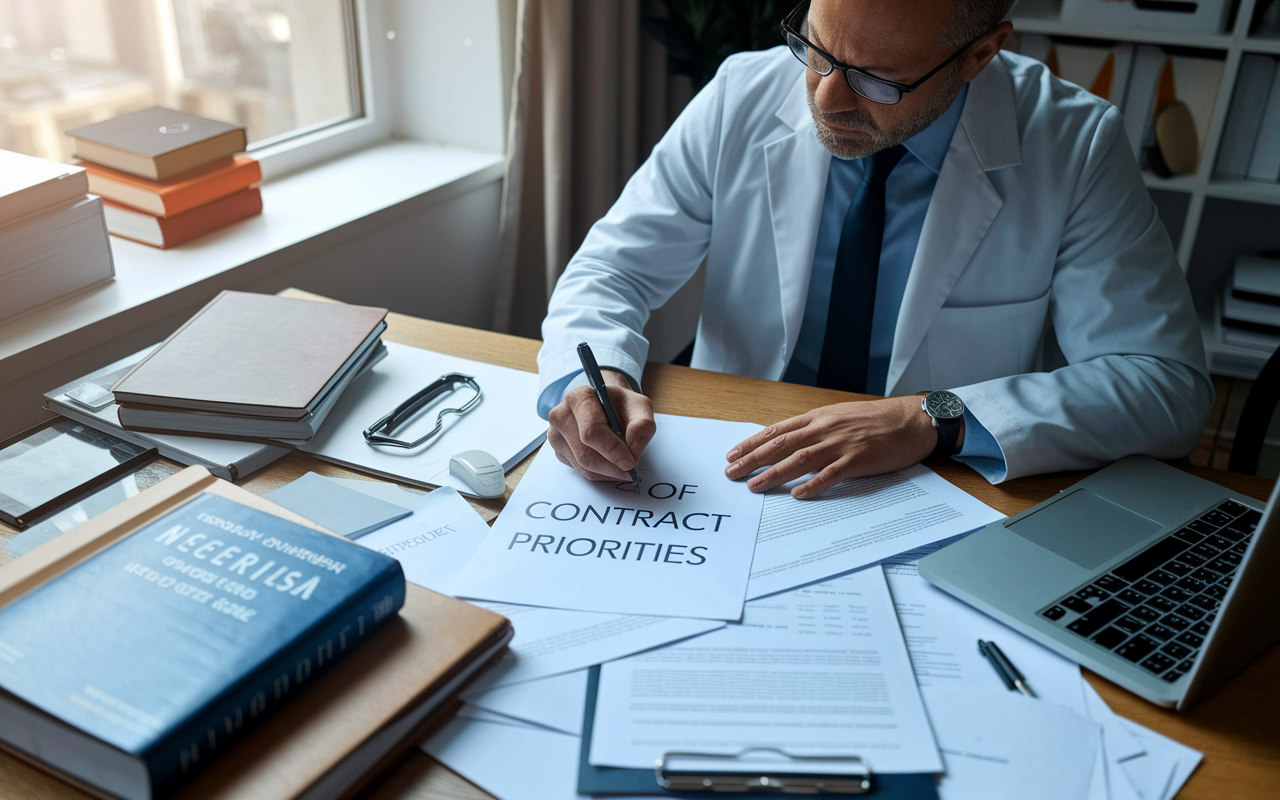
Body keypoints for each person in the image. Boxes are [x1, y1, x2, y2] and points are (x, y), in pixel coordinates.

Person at [536, 0, 1212, 499]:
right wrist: (588, 382)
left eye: (878, 80)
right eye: (818, 49)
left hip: (936, 486)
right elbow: (612, 268)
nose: (827, 98)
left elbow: (1166, 386)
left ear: (981, 53)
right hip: (732, 471)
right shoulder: (741, 94)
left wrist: (932, 418)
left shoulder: (1074, 146)